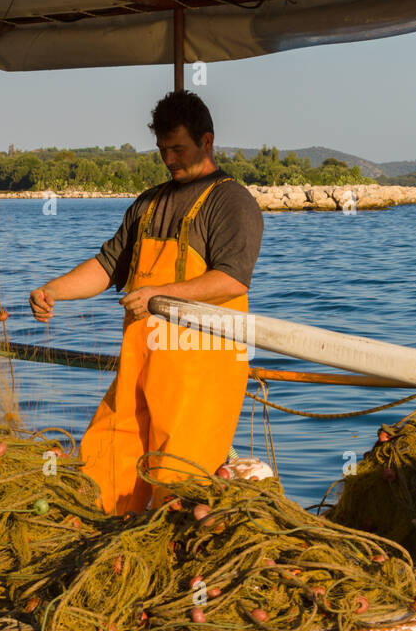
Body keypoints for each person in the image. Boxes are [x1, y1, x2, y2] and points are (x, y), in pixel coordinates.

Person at [29, 90, 263, 514]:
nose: (169, 159)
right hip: (139, 368)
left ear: (207, 142)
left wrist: (159, 294)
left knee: (178, 491)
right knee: (100, 474)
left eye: (178, 148)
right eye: (162, 150)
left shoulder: (232, 202)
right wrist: (54, 290)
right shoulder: (148, 204)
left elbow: (231, 280)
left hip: (199, 376)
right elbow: (107, 265)